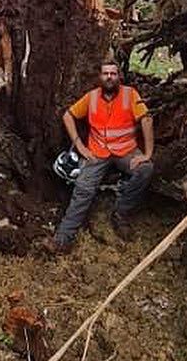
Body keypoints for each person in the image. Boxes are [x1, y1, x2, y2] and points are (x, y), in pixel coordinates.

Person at [43, 59, 155, 254]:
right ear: (100, 77)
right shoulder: (92, 97)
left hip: (126, 151)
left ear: (119, 76)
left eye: (113, 73)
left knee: (146, 170)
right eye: (105, 73)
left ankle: (120, 213)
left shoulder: (130, 95)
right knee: (83, 189)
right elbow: (67, 115)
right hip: (97, 152)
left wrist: (147, 153)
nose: (109, 77)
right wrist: (79, 145)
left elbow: (146, 120)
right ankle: (62, 240)